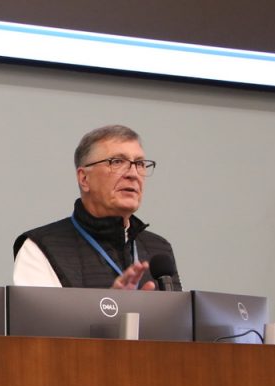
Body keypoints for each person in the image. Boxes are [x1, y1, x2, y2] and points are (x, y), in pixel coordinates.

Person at [13, 124, 181, 290]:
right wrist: (111, 312)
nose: (133, 174)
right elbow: (40, 318)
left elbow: (179, 317)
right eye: (117, 162)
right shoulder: (41, 247)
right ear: (84, 178)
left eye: (139, 163)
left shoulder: (158, 250)